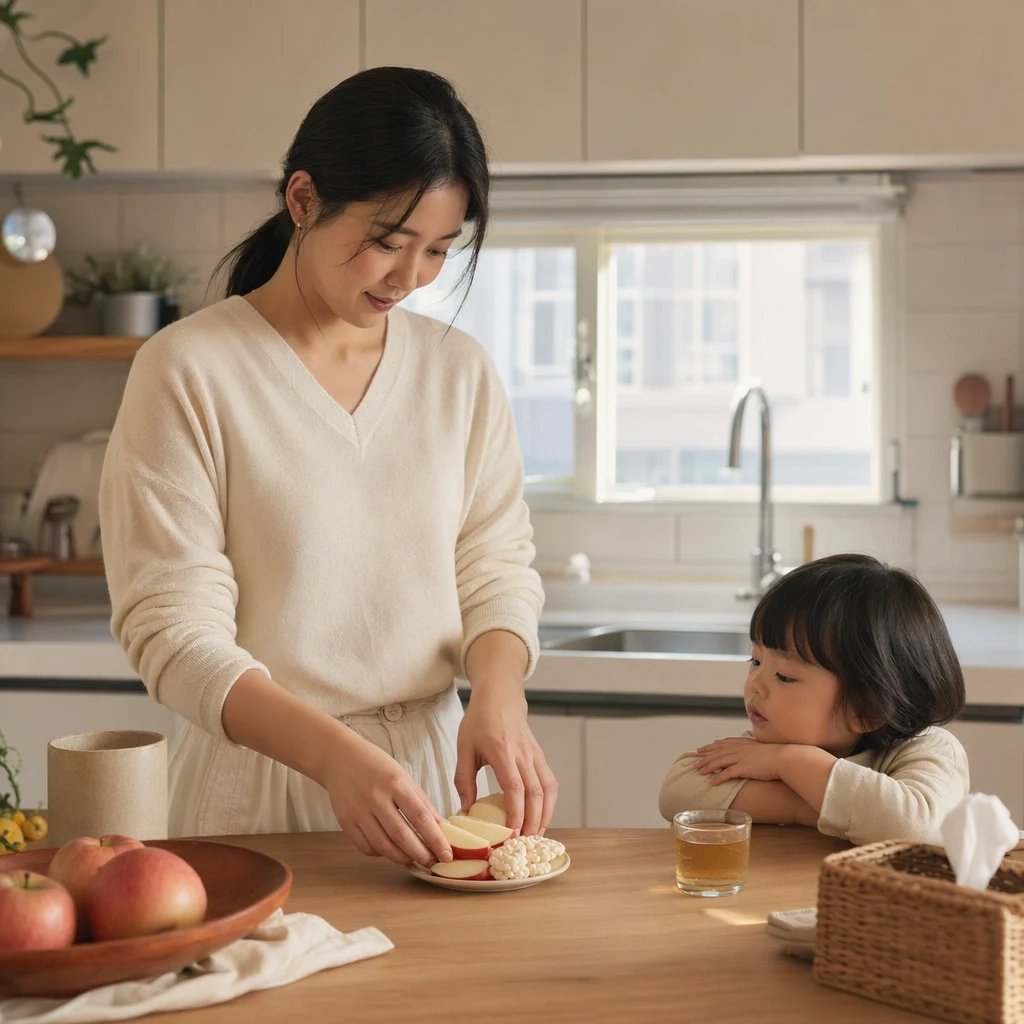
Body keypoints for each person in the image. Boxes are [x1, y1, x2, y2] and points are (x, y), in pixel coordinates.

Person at [99, 66, 556, 869]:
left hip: (433, 780)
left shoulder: (460, 372)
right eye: (388, 241)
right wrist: (337, 759)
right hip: (259, 787)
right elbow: (172, 633)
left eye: (440, 251)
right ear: (303, 199)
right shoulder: (188, 370)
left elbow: (494, 566)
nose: (410, 278)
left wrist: (500, 693)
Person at [658, 554, 968, 845]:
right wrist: (809, 808)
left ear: (867, 709)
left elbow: (915, 829)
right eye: (755, 661)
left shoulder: (930, 749)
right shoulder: (773, 740)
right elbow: (679, 791)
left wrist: (788, 762)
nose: (755, 685)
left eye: (784, 676)